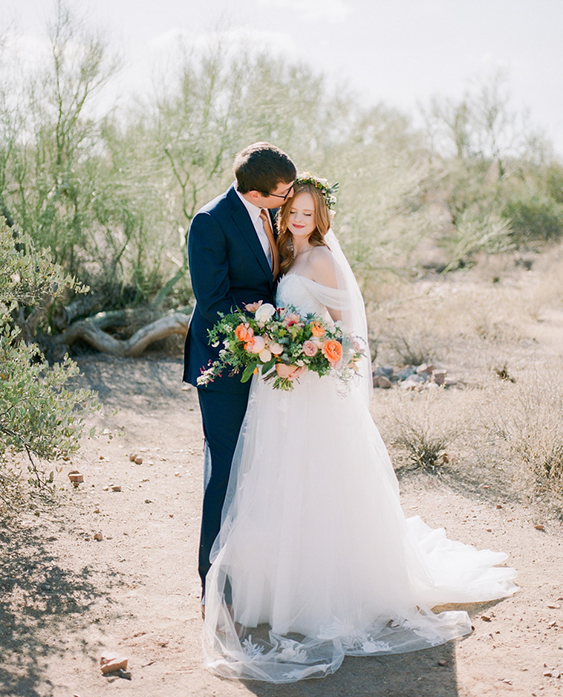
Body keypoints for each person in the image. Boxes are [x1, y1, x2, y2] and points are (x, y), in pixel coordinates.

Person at [201, 176, 518, 682]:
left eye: (307, 213)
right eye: (293, 211)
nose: (298, 220)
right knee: (279, 482)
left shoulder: (322, 258)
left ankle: (321, 594)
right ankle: (274, 590)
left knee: (320, 484)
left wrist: (307, 356)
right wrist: (275, 343)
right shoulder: (285, 254)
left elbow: (349, 335)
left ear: (320, 216)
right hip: (278, 392)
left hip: (312, 392)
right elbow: (283, 313)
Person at [183, 142, 297, 606]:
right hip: (223, 360)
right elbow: (212, 300)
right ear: (254, 194)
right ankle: (211, 579)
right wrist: (268, 326)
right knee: (226, 465)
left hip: (264, 360)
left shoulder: (271, 215)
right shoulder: (210, 222)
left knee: (261, 464)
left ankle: (252, 573)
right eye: (281, 194)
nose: (288, 200)